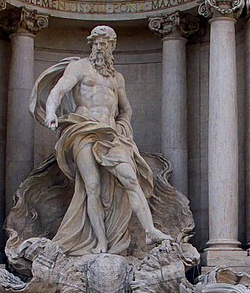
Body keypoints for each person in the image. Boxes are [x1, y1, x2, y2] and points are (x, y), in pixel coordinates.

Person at [37, 25, 172, 256]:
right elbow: (58, 91)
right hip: (83, 129)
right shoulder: (79, 67)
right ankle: (100, 242)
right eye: (97, 43)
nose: (101, 47)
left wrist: (124, 126)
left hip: (110, 134)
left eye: (106, 44)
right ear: (91, 45)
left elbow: (126, 109)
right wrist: (51, 112)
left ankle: (150, 230)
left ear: (112, 47)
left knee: (130, 179)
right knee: (92, 186)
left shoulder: (117, 78)